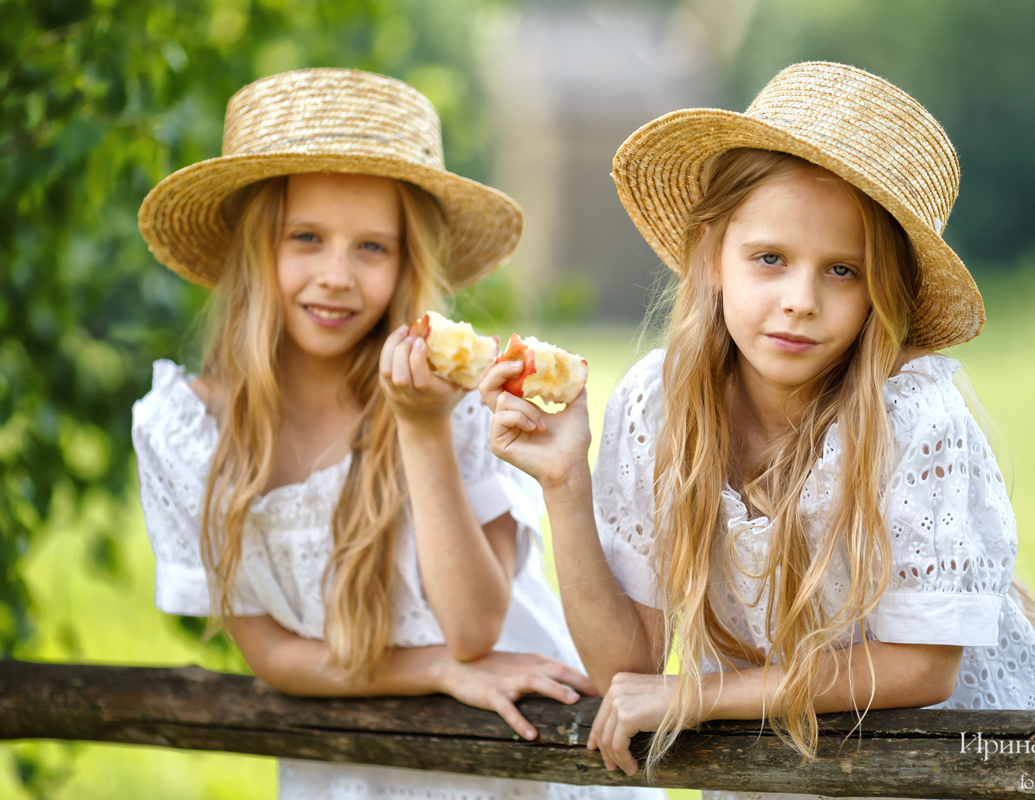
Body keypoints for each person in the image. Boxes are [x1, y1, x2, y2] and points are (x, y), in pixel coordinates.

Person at [481, 61, 1035, 796]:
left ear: (882, 290)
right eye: (770, 258)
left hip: (964, 772)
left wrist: (700, 695)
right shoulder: (658, 405)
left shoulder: (913, 415)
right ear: (712, 256)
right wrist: (566, 482)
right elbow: (627, 670)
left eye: (843, 271)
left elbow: (925, 667)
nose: (801, 300)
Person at [132, 67, 661, 800]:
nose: (338, 276)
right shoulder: (187, 431)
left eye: (372, 248)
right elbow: (275, 655)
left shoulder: (464, 398)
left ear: (407, 261)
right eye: (306, 237)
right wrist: (438, 669)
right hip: (354, 764)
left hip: (522, 743)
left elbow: (476, 629)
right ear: (256, 249)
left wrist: (422, 429)